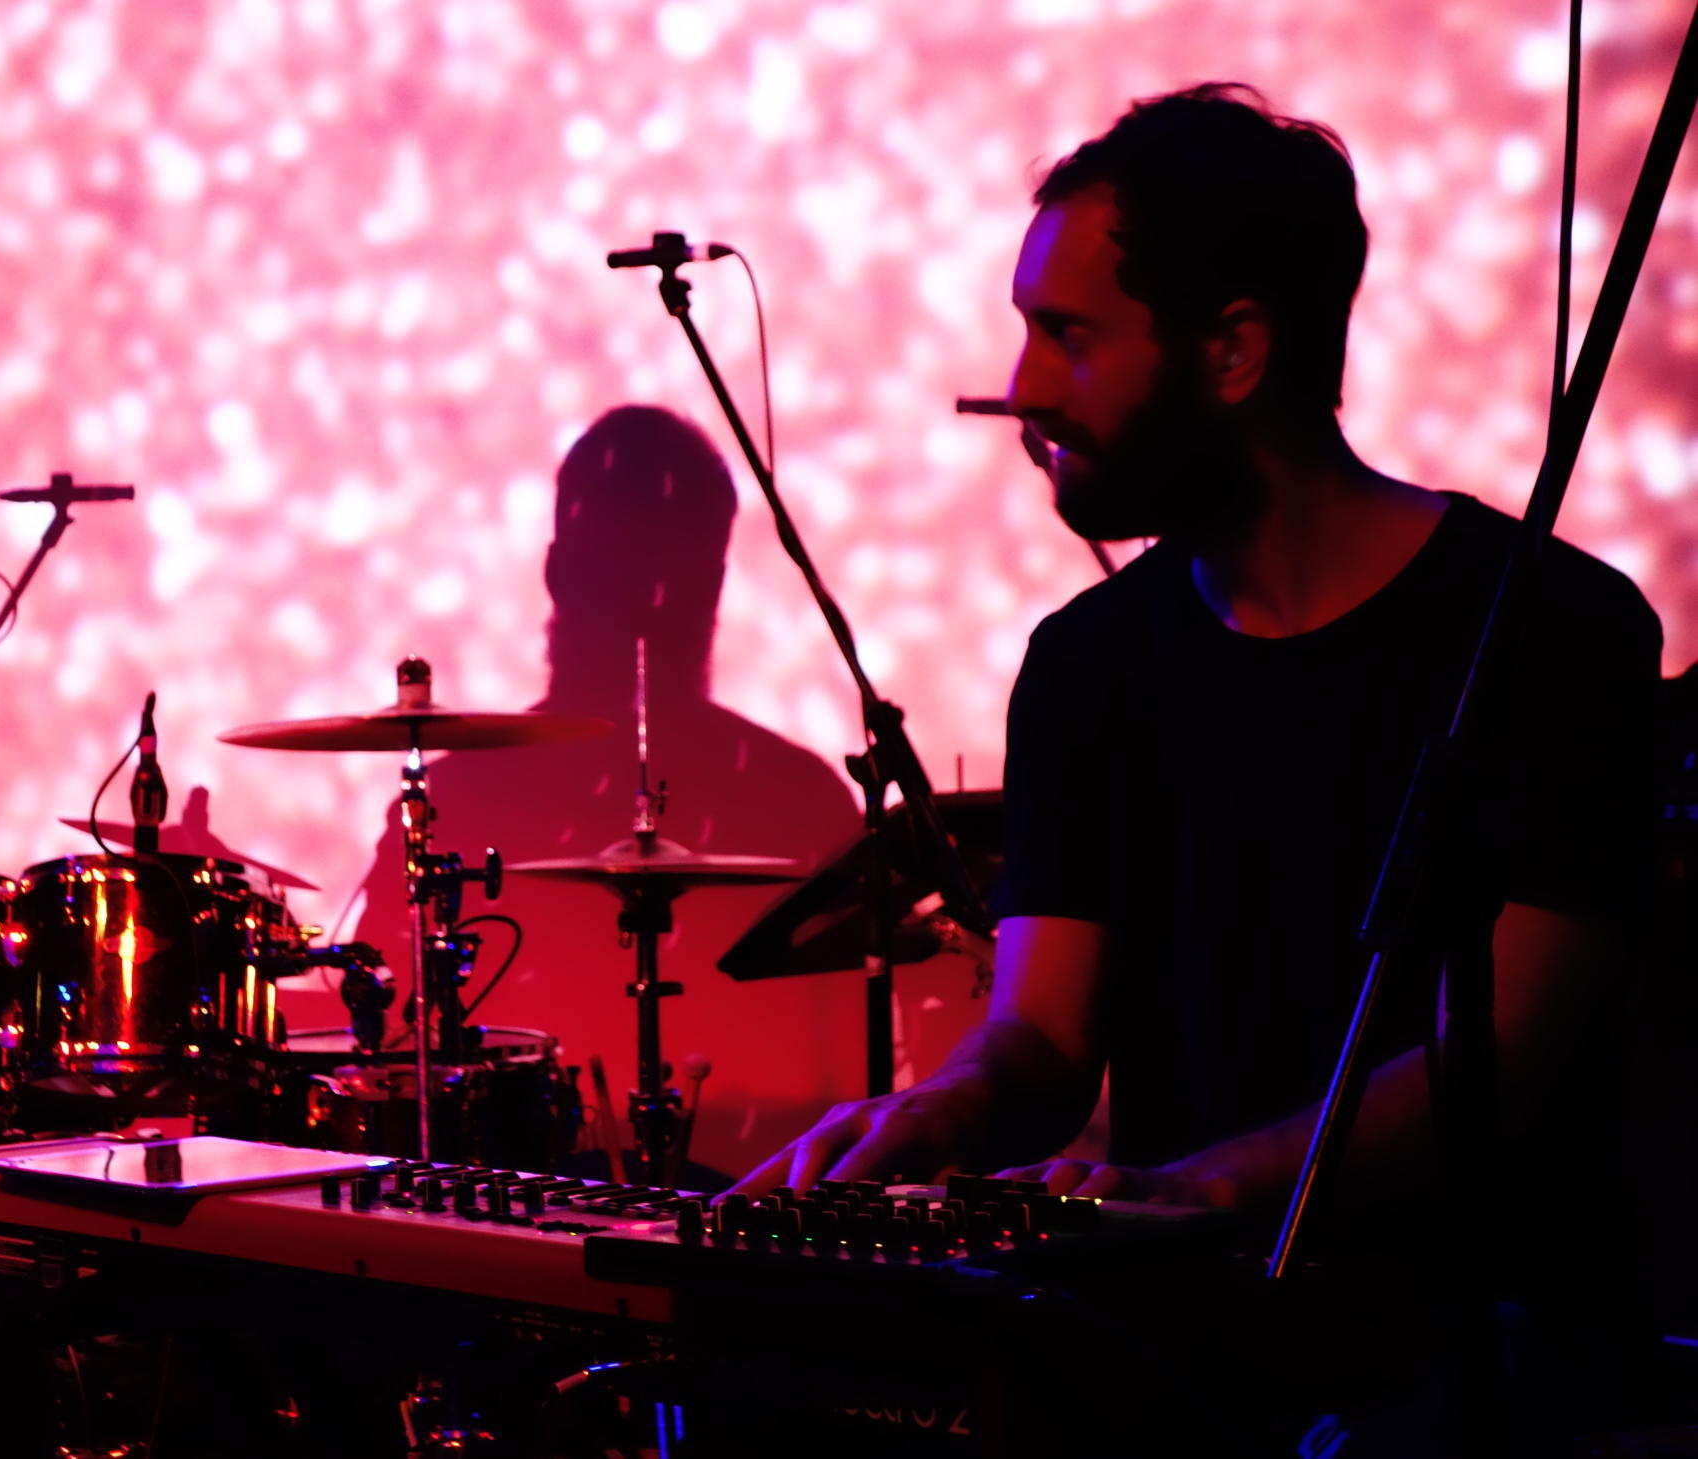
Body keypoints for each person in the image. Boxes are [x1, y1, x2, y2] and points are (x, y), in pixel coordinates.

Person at [734, 84, 1660, 1240]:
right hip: (1182, 1329)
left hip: (1488, 1332)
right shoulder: (1087, 664)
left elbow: (1501, 1065)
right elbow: (1042, 1038)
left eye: (1067, 335)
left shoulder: (1554, 628)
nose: (1022, 390)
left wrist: (1206, 1190)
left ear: (1231, 352)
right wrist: (944, 1108)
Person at [335, 405, 864, 1178]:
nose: (651, 597)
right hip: (646, 1209)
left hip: (739, 1205)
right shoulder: (803, 795)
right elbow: (377, 1035)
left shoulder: (806, 801)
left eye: (669, 571)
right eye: (629, 570)